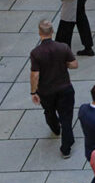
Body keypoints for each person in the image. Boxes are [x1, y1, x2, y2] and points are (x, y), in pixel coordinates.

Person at [29, 18, 78, 155]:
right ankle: (66, 147)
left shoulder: (36, 53)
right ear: (52, 31)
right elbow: (74, 64)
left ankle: (55, 128)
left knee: (49, 111)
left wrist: (33, 92)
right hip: (64, 88)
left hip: (46, 90)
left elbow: (35, 75)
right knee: (66, 117)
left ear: (40, 33)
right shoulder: (63, 47)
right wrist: (64, 64)